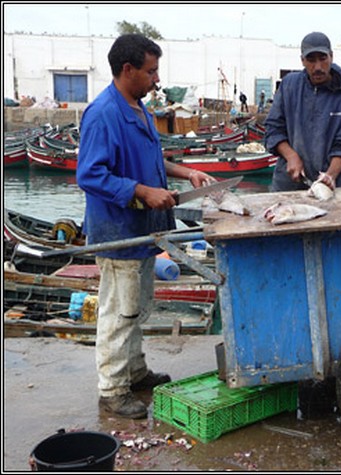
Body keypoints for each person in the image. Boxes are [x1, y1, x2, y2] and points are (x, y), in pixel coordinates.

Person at [76, 34, 214, 419]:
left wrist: (185, 171)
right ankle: (112, 388)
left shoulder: (138, 108)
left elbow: (152, 157)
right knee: (119, 312)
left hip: (144, 230)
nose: (157, 79)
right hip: (118, 231)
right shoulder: (103, 113)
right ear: (128, 69)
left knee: (137, 308)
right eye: (151, 71)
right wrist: (141, 191)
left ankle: (135, 372)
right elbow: (90, 175)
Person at [264, 31, 341, 192]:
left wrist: (329, 176)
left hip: (329, 187)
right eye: (311, 60)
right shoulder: (289, 86)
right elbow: (273, 129)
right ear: (302, 60)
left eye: (323, 59)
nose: (317, 67)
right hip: (286, 185)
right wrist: (291, 156)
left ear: (331, 56)